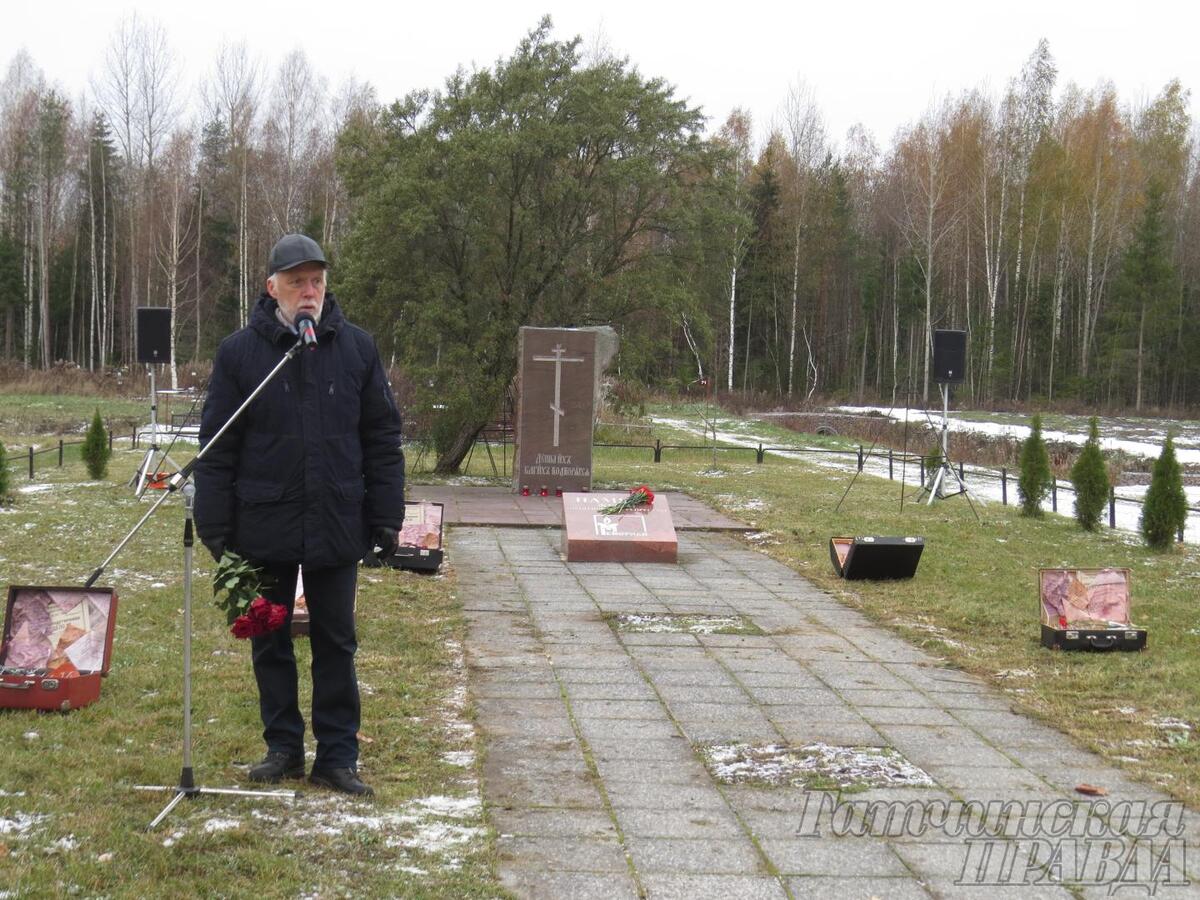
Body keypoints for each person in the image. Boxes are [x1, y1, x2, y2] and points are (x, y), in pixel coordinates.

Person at [195, 233, 404, 797]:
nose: (308, 292)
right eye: (296, 282)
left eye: (316, 281)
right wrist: (214, 524)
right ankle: (283, 747)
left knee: (337, 640)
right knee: (270, 637)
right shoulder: (240, 353)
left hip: (338, 519)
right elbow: (217, 442)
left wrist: (387, 513)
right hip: (264, 523)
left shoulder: (357, 349)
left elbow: (382, 437)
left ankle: (337, 755)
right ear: (272, 288)